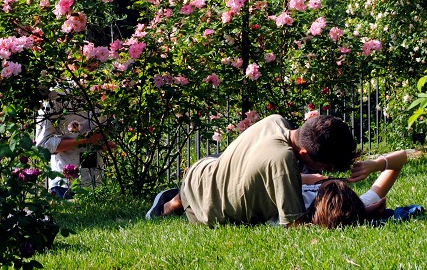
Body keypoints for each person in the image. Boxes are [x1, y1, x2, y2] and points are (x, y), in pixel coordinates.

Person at [146, 113, 357, 226]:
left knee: (231, 160)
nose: (326, 170)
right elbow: (295, 224)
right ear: (303, 153)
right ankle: (171, 204)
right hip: (202, 211)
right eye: (325, 165)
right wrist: (357, 212)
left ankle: (173, 202)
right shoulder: (282, 161)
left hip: (200, 173)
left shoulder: (276, 121)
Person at [301, 150, 410, 227]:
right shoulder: (352, 206)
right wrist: (377, 165)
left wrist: (306, 178)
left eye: (321, 183)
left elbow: (284, 177)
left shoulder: (295, 204)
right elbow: (402, 156)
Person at [35, 89, 113, 198]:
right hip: (65, 186)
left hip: (94, 183)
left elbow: (97, 137)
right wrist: (86, 141)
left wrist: (103, 143)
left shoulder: (101, 93)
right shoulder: (56, 98)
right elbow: (43, 145)